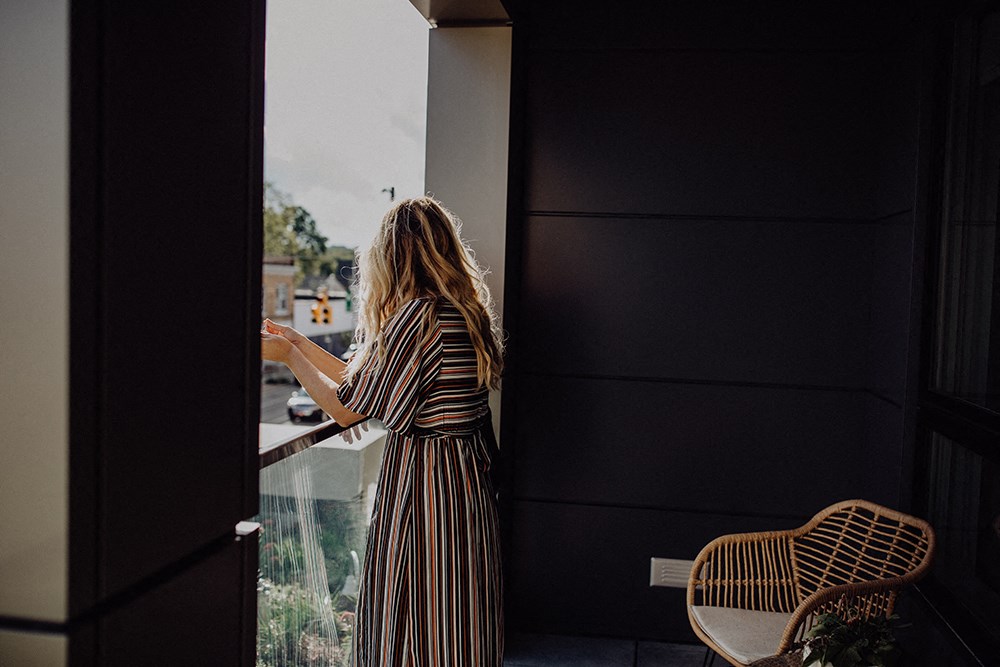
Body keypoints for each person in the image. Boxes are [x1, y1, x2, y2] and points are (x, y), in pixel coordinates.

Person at [261, 196, 505, 666]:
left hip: (425, 491)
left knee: (416, 614)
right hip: (463, 486)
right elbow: (368, 385)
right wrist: (297, 341)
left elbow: (350, 408)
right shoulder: (462, 311)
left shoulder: (418, 316)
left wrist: (288, 358)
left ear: (392, 255)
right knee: (455, 615)